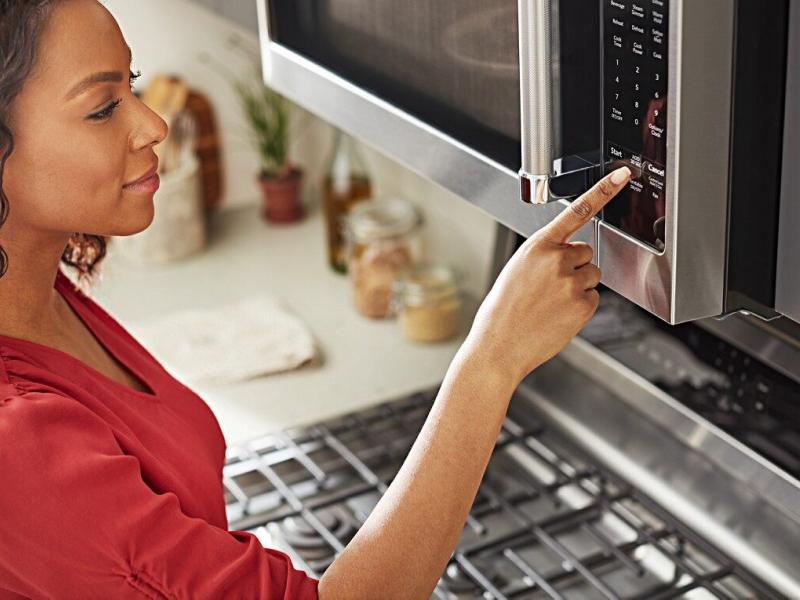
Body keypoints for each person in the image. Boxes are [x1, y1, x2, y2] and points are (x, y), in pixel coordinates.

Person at [0, 0, 632, 598]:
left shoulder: (38, 290)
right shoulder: (18, 448)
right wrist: (492, 358)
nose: (154, 123)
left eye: (131, 84)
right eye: (102, 107)